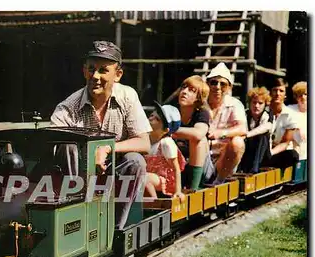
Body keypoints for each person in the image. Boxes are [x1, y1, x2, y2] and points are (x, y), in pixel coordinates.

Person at [50, 40, 151, 229]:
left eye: (103, 70)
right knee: (66, 148)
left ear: (118, 74)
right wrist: (89, 155)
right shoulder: (67, 107)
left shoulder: (128, 97)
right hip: (79, 177)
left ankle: (115, 230)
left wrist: (107, 148)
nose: (95, 76)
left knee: (135, 160)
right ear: (84, 71)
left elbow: (144, 142)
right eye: (91, 69)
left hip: (115, 172)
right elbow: (53, 145)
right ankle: (75, 224)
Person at [204, 62, 248, 185]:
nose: (217, 87)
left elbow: (242, 129)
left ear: (229, 88)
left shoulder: (235, 104)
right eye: (214, 82)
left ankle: (219, 181)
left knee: (238, 143)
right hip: (201, 156)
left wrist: (221, 133)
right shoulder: (200, 104)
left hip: (223, 160)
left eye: (222, 84)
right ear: (207, 84)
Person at [172, 75, 211, 190]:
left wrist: (170, 131)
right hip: (177, 166)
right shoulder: (172, 111)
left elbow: (198, 133)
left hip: (202, 169)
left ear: (198, 98)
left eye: (191, 90)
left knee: (199, 140)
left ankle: (193, 189)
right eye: (183, 88)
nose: (184, 92)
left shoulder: (202, 113)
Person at [144, 102, 186, 201]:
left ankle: (154, 203)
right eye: (152, 115)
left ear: (165, 130)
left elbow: (176, 169)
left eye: (157, 119)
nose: (151, 118)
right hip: (150, 176)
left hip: (164, 180)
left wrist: (178, 191)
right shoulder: (145, 137)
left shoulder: (166, 143)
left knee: (144, 178)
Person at [266, 77, 300, 170]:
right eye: (275, 90)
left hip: (277, 152)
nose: (277, 94)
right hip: (262, 152)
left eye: (281, 91)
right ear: (270, 92)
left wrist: (271, 152)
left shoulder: (291, 115)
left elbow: (285, 142)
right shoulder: (264, 111)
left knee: (293, 155)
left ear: (285, 95)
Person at [238, 87, 273, 173]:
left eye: (260, 103)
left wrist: (247, 134)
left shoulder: (267, 115)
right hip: (247, 152)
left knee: (263, 136)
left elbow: (266, 127)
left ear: (265, 104)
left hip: (263, 155)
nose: (256, 106)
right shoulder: (245, 115)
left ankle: (254, 170)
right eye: (254, 102)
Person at [288, 81, 307, 161]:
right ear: (296, 97)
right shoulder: (289, 110)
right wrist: (297, 128)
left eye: (305, 94)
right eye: (300, 95)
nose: (303, 97)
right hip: (294, 151)